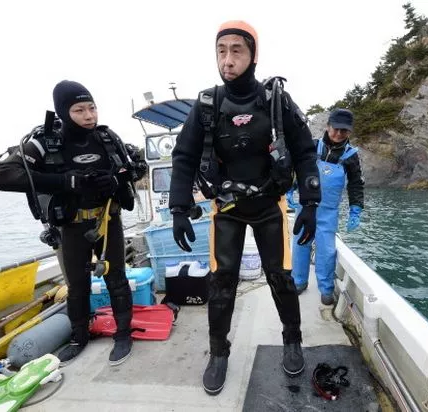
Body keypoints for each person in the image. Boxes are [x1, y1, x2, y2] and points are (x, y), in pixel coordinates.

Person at [168, 20, 321, 396]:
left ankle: (292, 340)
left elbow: (303, 151)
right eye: (221, 51)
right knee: (221, 283)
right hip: (227, 208)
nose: (228, 59)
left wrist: (311, 202)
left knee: (281, 278)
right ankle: (219, 352)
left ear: (254, 56)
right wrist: (178, 208)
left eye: (237, 50)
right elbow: (184, 158)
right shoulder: (207, 105)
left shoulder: (275, 100)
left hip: (270, 204)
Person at [0, 80, 147, 366]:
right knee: (78, 285)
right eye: (79, 110)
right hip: (71, 225)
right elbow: (1, 176)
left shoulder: (107, 138)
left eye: (92, 108)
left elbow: (135, 167)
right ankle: (78, 337)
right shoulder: (45, 142)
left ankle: (123, 334)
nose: (89, 116)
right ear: (63, 112)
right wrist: (66, 181)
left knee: (117, 279)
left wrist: (116, 178)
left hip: (107, 220)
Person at [291, 108, 364, 305]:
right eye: (336, 129)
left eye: (344, 131)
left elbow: (356, 183)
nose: (339, 134)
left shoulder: (350, 155)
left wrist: (356, 208)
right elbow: (298, 170)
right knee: (300, 243)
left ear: (349, 132)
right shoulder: (313, 146)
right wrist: (290, 189)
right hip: (305, 206)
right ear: (328, 126)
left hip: (328, 212)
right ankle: (298, 281)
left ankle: (326, 287)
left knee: (327, 249)